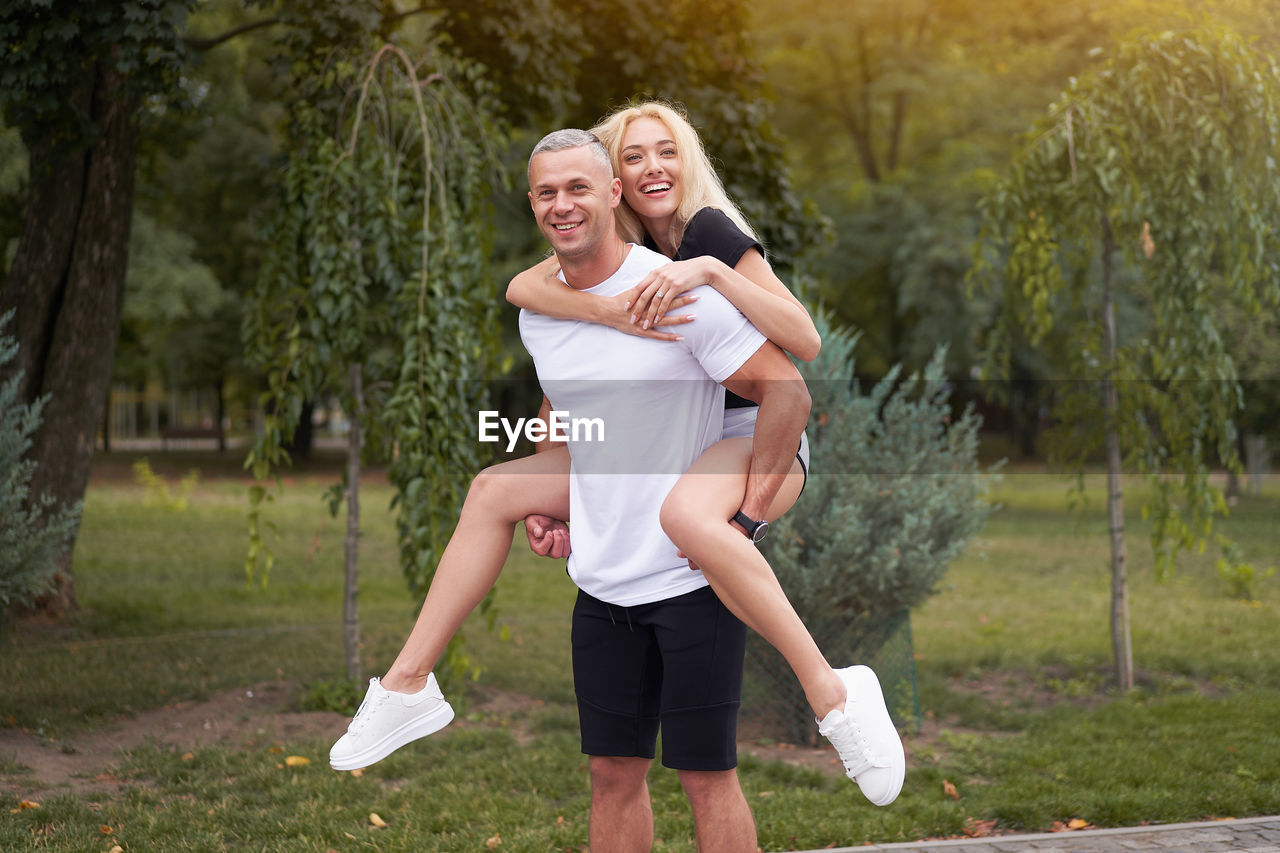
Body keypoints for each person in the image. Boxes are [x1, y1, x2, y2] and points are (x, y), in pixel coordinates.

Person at [329, 105, 904, 809]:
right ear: (615, 182)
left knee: (692, 520)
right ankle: (407, 683)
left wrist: (746, 520)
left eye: (665, 153)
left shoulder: (705, 239)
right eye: (632, 157)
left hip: (757, 432)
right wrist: (554, 491)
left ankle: (834, 692)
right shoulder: (601, 265)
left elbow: (799, 356)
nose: (650, 168)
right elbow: (543, 340)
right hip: (669, 441)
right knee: (490, 490)